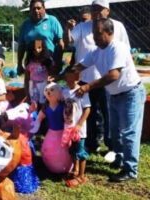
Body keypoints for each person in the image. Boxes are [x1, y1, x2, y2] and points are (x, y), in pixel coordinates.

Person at [75, 18, 145, 182]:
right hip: (114, 95)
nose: (95, 38)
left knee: (129, 133)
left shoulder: (118, 48)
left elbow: (114, 75)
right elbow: (80, 66)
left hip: (130, 93)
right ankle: (120, 159)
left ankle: (130, 170)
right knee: (115, 132)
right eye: (93, 34)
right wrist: (62, 74)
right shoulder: (96, 51)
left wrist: (88, 86)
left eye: (98, 34)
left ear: (110, 33)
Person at [64, 0, 131, 153]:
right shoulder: (83, 27)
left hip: (109, 80)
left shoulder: (118, 26)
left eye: (100, 9)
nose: (96, 12)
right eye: (94, 9)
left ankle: (112, 145)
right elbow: (69, 42)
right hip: (86, 78)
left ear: (108, 11)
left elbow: (125, 49)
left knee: (110, 114)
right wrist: (65, 74)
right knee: (89, 111)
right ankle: (92, 143)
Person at [62, 67, 91, 187]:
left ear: (78, 78)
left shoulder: (82, 92)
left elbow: (87, 109)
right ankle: (75, 170)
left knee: (80, 152)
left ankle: (81, 176)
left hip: (79, 130)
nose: (70, 82)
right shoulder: (64, 91)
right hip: (68, 127)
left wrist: (79, 125)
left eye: (73, 80)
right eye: (68, 80)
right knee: (72, 151)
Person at [18, 0, 64, 75]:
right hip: (31, 64)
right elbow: (21, 46)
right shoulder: (26, 24)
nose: (36, 11)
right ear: (30, 10)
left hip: (49, 64)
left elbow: (60, 44)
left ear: (44, 8)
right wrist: (19, 64)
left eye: (38, 8)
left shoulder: (52, 21)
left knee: (48, 86)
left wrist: (58, 62)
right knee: (31, 85)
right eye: (33, 8)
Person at [24, 40, 53, 107]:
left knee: (44, 106)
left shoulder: (47, 61)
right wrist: (27, 94)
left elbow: (52, 76)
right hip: (33, 88)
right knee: (34, 106)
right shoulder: (29, 62)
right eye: (34, 49)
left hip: (44, 87)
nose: (37, 50)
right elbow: (26, 79)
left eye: (39, 47)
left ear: (43, 48)